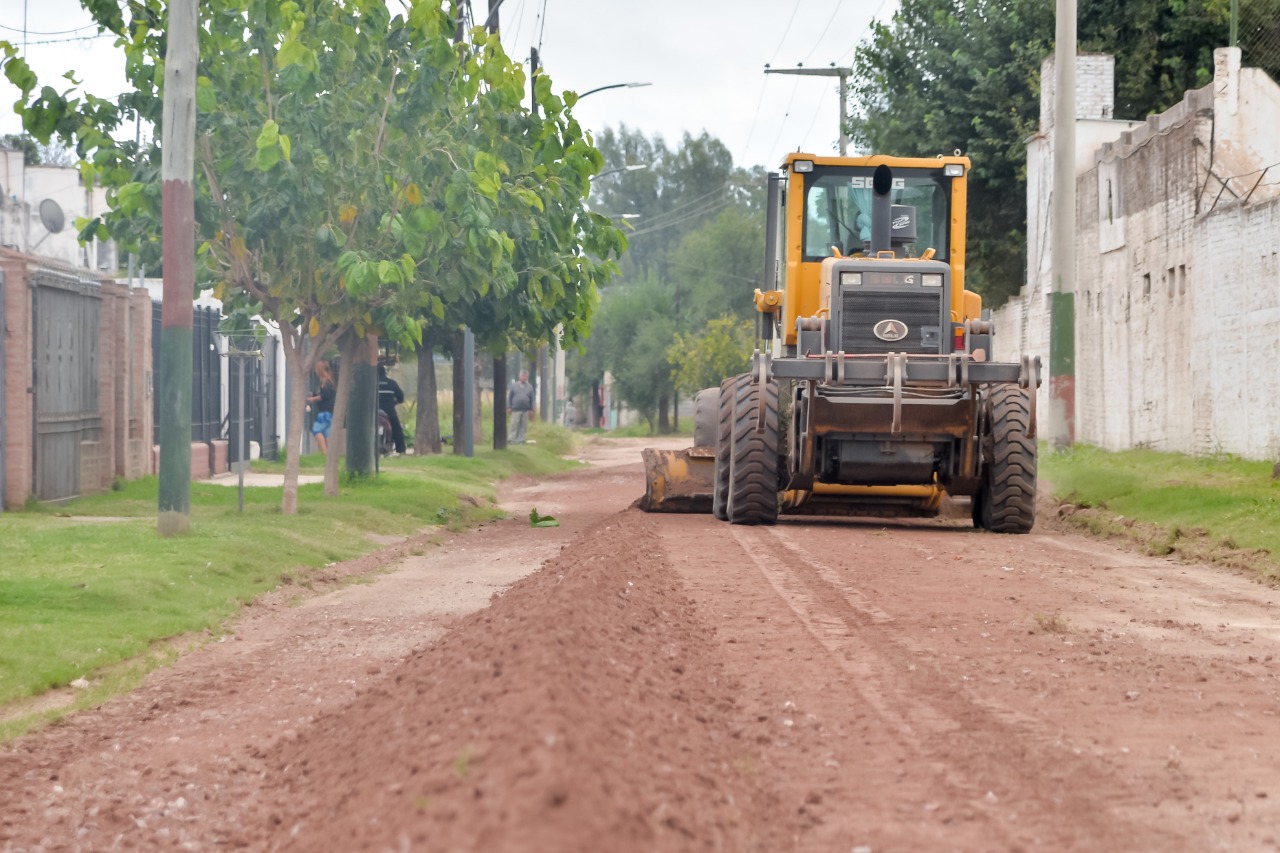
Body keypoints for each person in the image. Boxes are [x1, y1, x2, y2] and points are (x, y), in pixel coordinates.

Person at [307, 359, 336, 455]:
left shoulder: (325, 382)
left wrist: (312, 399)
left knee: (316, 430)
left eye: (316, 369)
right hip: (329, 412)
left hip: (324, 412)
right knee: (326, 433)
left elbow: (324, 396)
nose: (315, 371)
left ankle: (324, 453)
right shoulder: (329, 381)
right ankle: (329, 454)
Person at [377, 364, 406, 455]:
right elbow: (401, 397)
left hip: (374, 410)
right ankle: (401, 450)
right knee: (397, 428)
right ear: (385, 372)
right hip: (389, 410)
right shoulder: (392, 383)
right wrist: (396, 402)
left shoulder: (371, 383)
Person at [508, 369, 535, 444]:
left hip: (526, 410)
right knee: (514, 425)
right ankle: (511, 439)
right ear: (520, 376)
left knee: (523, 426)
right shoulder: (514, 386)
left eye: (526, 376)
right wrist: (509, 407)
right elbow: (510, 397)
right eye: (523, 376)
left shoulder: (530, 387)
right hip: (515, 409)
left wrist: (532, 409)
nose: (524, 378)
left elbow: (532, 399)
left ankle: (521, 440)